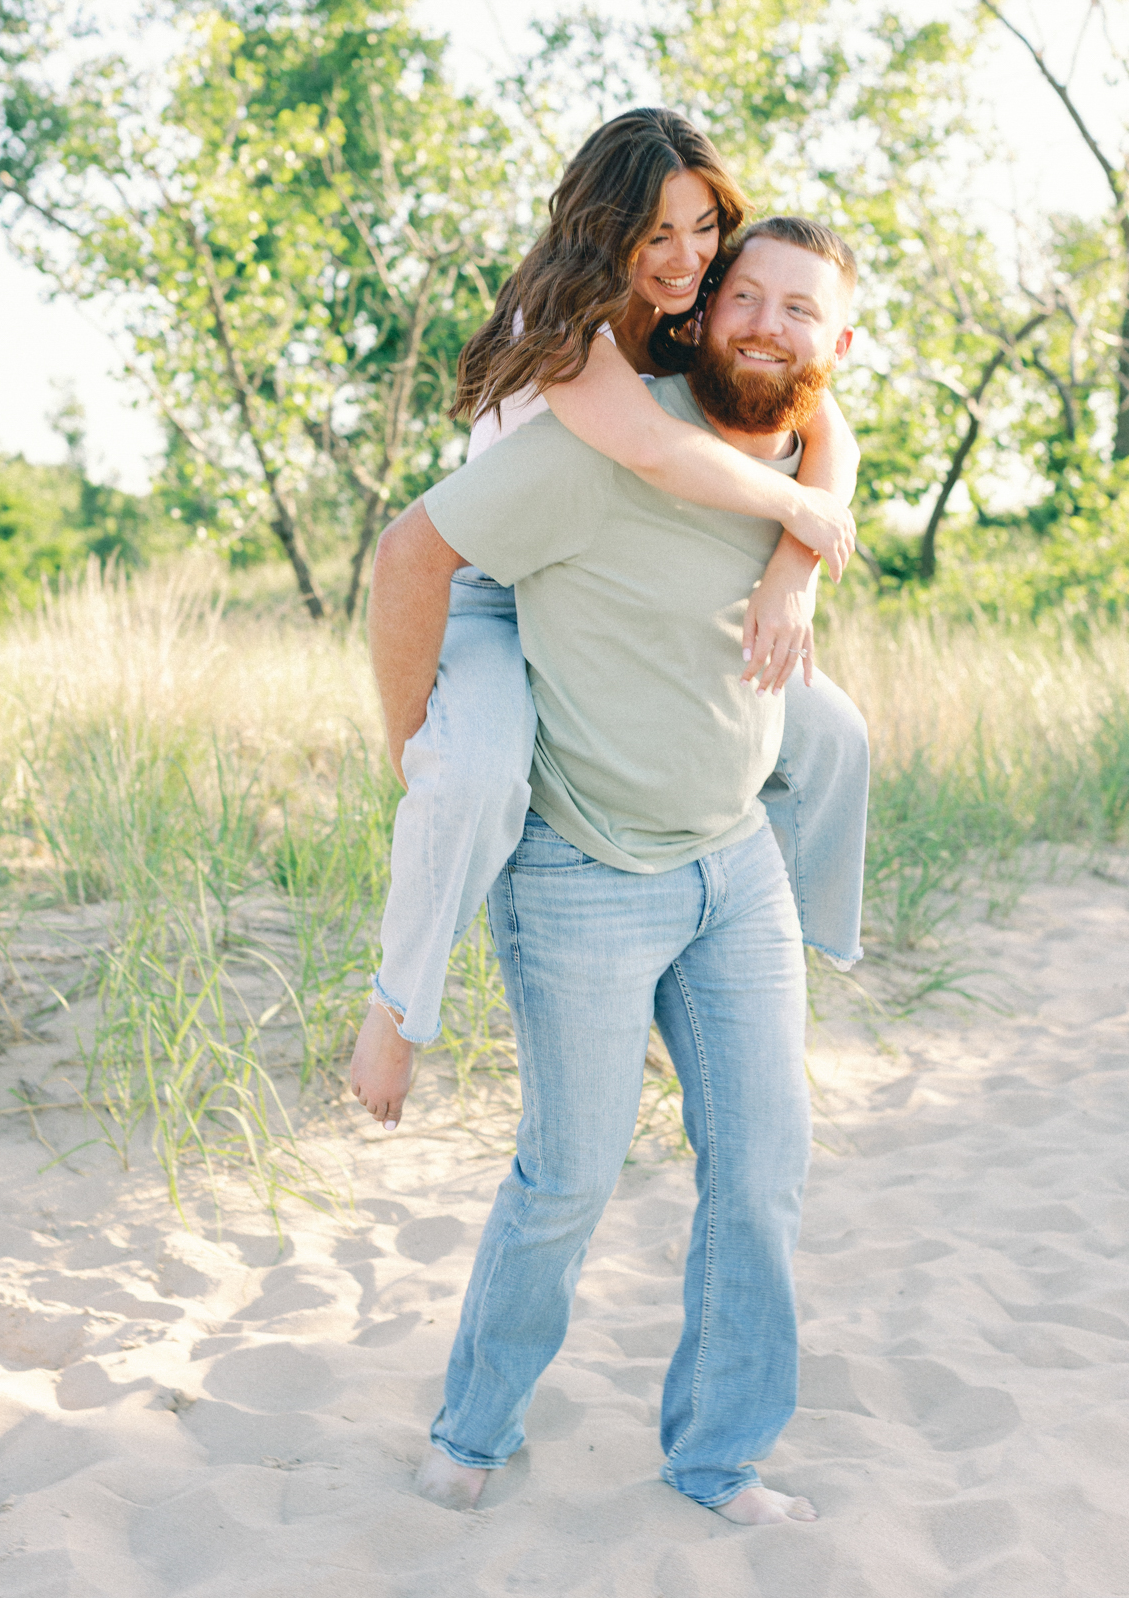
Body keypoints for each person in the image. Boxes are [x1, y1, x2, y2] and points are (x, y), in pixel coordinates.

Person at [366, 214, 860, 1523]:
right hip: (581, 870)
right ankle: (476, 1425)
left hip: (732, 870)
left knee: (760, 1175)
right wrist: (414, 743)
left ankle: (718, 1460)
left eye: (798, 308)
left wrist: (800, 564)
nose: (765, 321)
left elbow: (824, 468)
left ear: (839, 344)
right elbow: (412, 554)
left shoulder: (809, 463)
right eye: (742, 294)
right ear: (698, 314)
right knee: (570, 1177)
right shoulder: (601, 444)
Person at [352, 111, 868, 1126]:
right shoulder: (566, 333)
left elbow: (825, 424)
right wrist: (794, 508)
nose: (685, 259)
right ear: (606, 229)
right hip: (496, 591)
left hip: (604, 586)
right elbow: (653, 451)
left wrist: (794, 572)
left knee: (833, 736)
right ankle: (398, 1009)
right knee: (480, 773)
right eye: (656, 234)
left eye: (703, 228)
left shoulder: (701, 313)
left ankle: (802, 954)